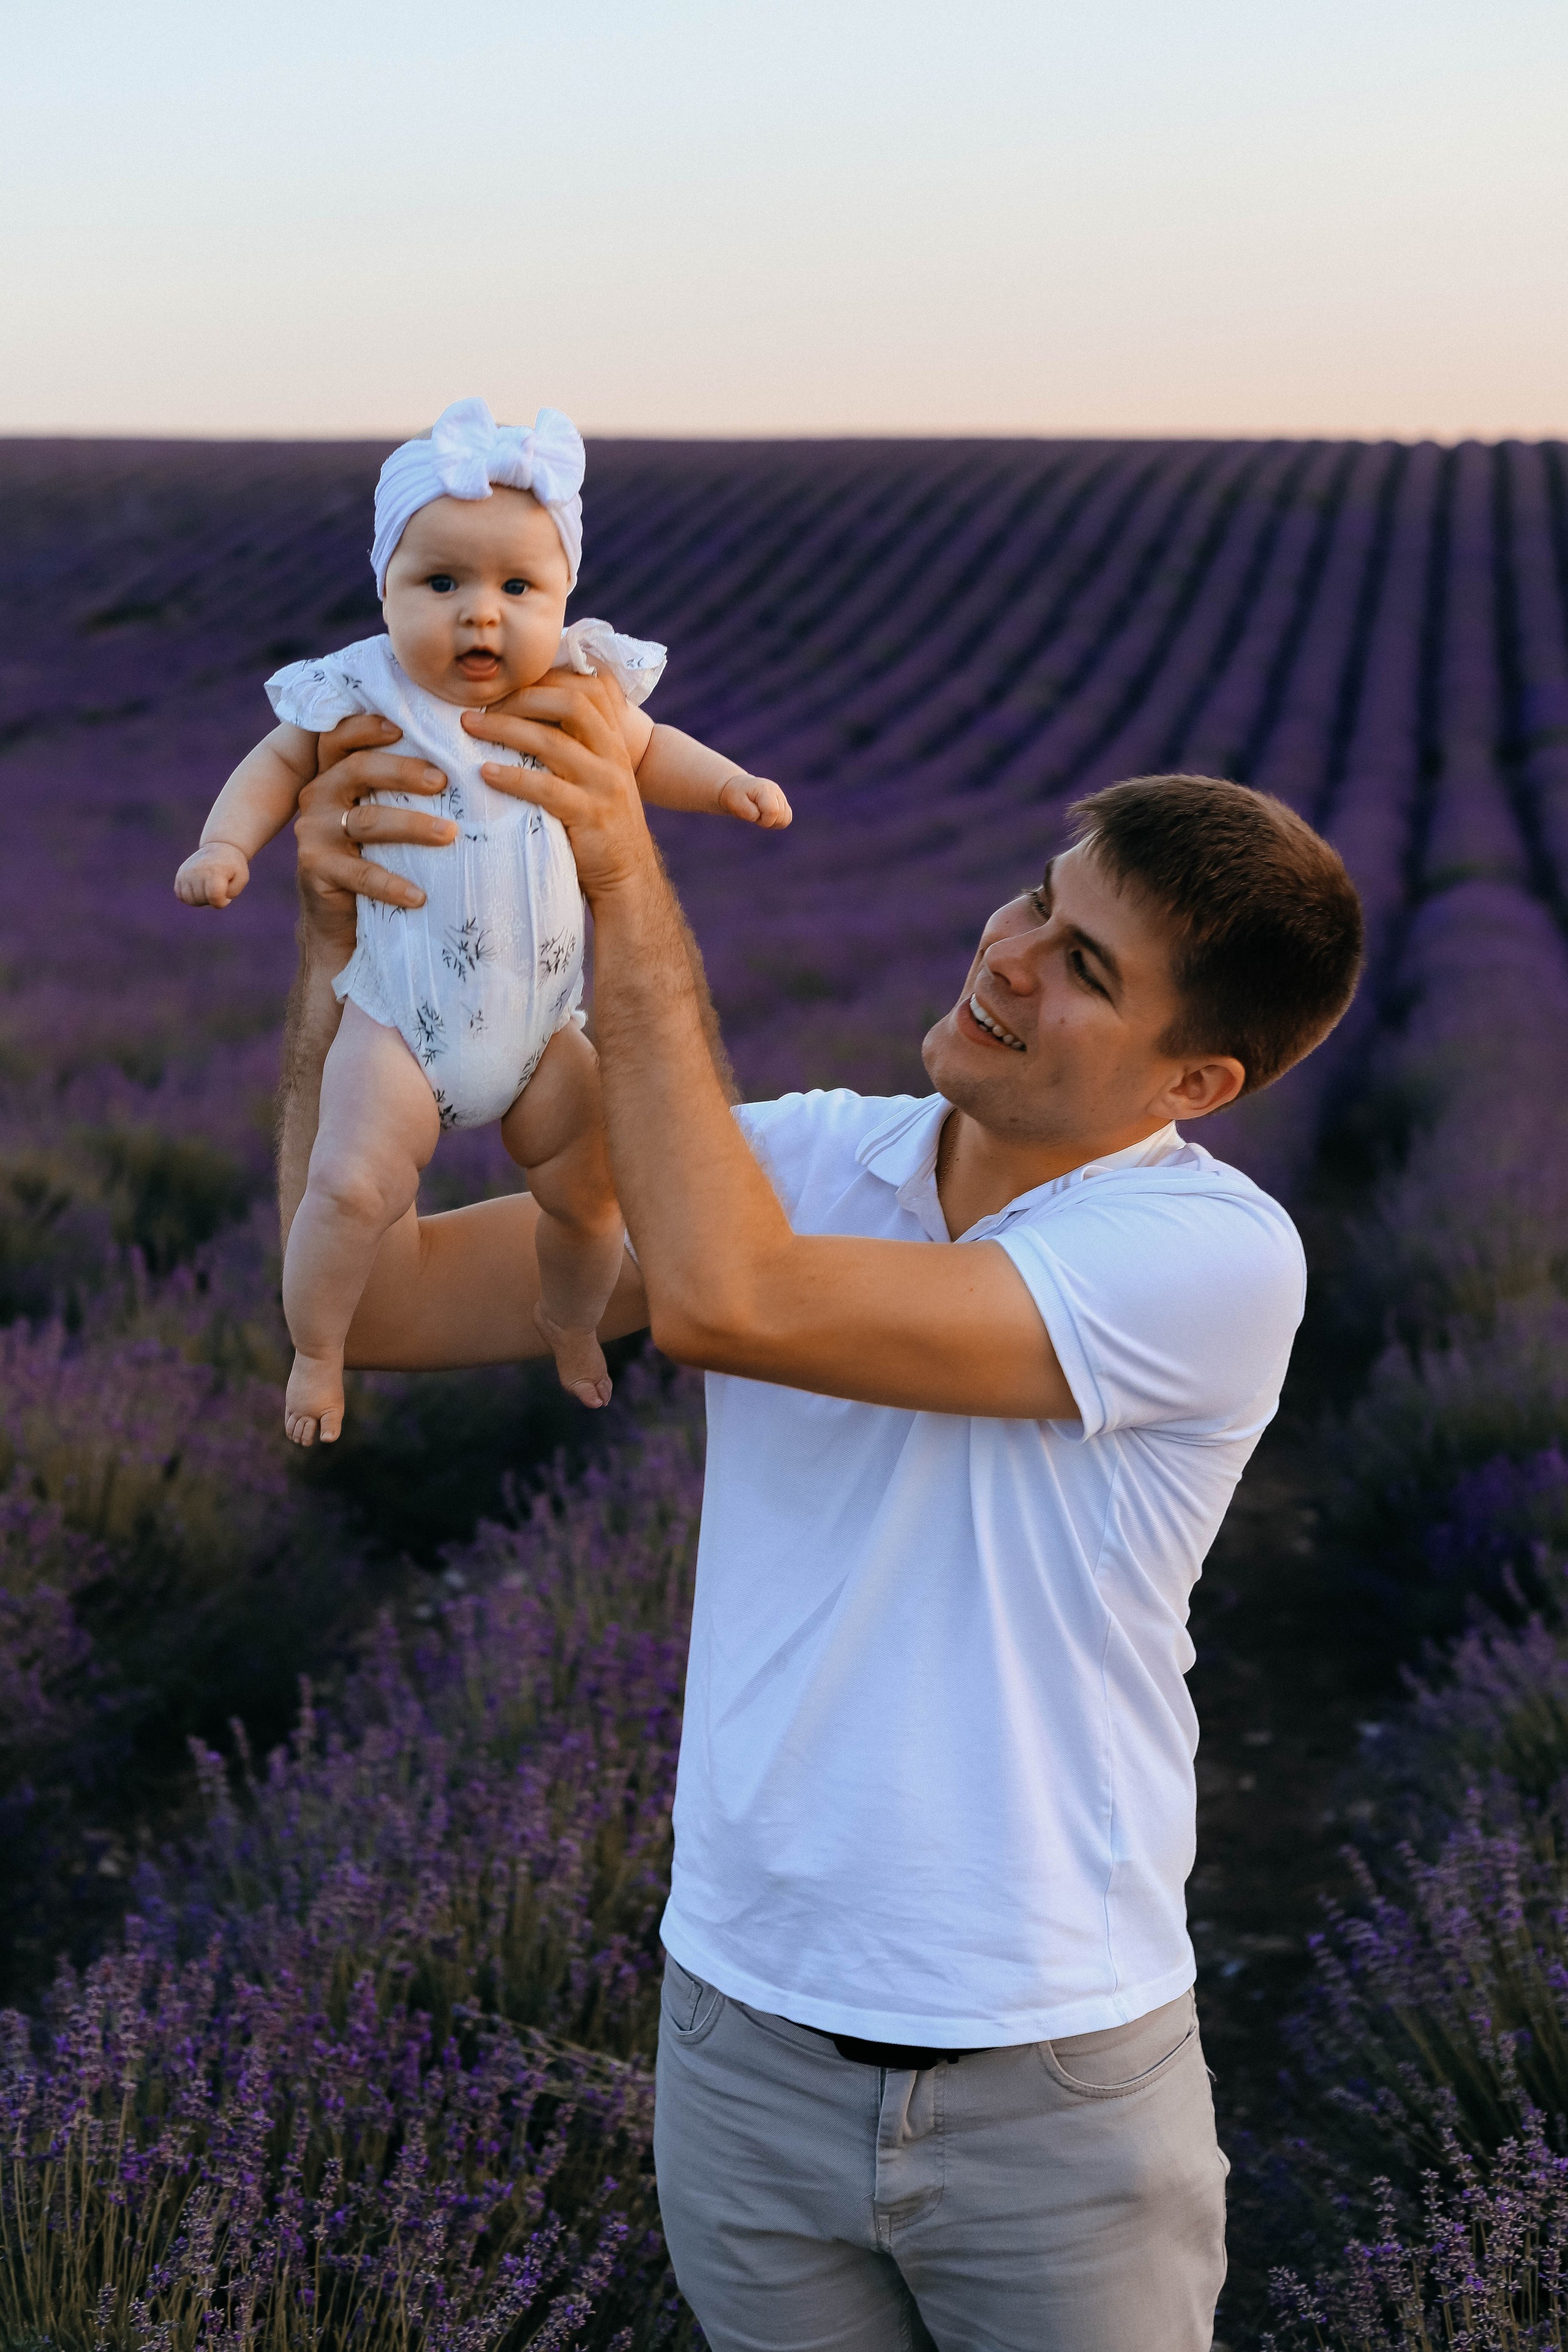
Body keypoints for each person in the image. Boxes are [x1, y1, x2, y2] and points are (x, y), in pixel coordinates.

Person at [279, 676, 1364, 2352]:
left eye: (1086, 970)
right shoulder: (804, 1162)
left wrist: (625, 881)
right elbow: (387, 1305)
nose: (1009, 956)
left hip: (1047, 2088)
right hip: (742, 2047)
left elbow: (738, 1305)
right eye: (1034, 904)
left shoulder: (1211, 1261)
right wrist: (349, 963)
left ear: (1198, 1081)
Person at [176, 396, 789, 1442]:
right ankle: (319, 1354)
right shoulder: (362, 686)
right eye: (442, 583)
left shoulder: (576, 684)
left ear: (564, 597)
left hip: (544, 1029)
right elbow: (274, 766)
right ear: (384, 590)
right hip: (400, 1023)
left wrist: (730, 784)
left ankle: (569, 1316)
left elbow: (652, 751)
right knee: (347, 1186)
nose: (481, 615)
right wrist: (225, 847)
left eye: (518, 587)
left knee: (591, 1197)